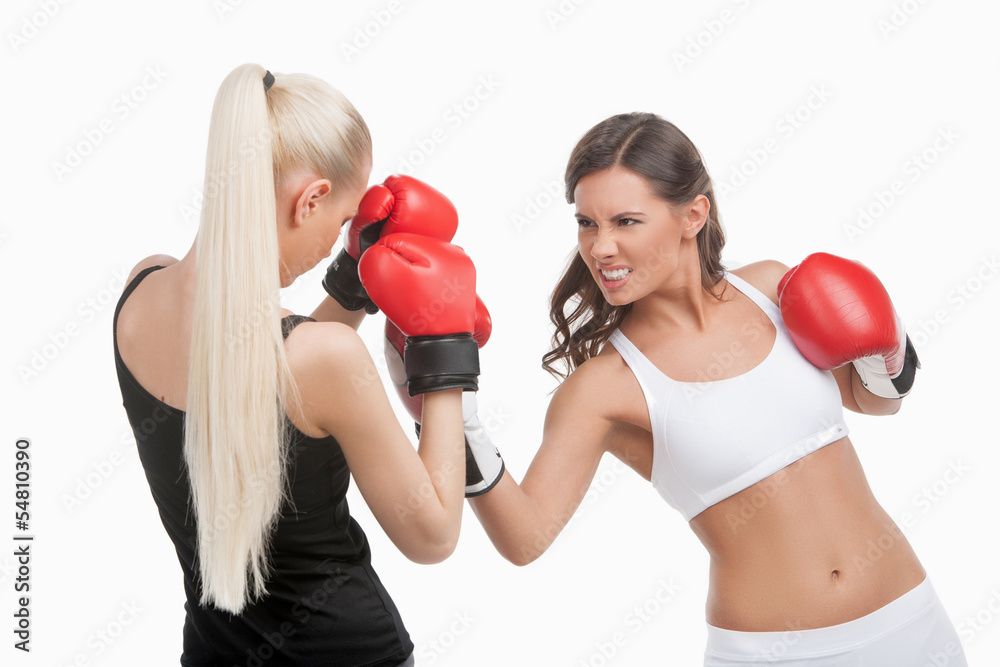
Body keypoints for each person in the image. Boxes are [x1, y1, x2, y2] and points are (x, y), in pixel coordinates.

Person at [465, 112, 968, 665]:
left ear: (693, 215)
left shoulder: (774, 288)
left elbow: (880, 402)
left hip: (910, 621)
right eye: (587, 223)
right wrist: (450, 410)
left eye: (625, 222)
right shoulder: (602, 388)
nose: (600, 247)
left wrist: (888, 345)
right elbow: (525, 538)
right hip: (773, 654)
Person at [113, 63, 483, 666]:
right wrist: (443, 342)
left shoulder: (140, 292)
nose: (339, 236)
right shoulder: (323, 358)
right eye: (340, 220)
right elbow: (433, 534)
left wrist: (351, 284)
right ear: (309, 198)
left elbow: (271, 375)